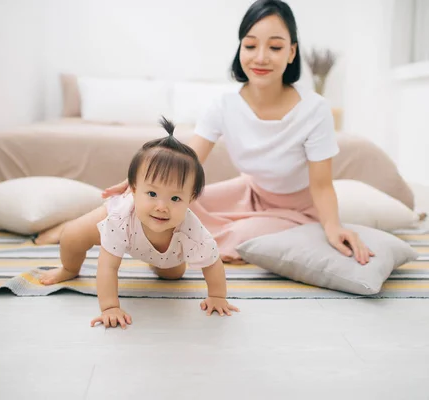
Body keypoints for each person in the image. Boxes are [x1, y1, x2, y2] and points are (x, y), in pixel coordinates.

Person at [100, 0, 374, 265]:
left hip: (299, 210)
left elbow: (322, 185)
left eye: (275, 47)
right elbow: (189, 160)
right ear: (240, 48)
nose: (261, 57)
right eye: (251, 45)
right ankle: (81, 231)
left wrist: (333, 226)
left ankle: (167, 247)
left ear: (292, 53)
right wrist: (144, 178)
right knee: (167, 201)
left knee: (240, 236)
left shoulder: (315, 110)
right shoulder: (223, 105)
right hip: (249, 192)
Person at [39, 117, 240, 329]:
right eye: (152, 193)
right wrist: (110, 307)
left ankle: (156, 260)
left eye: (175, 198)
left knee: (172, 274)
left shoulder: (192, 230)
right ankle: (69, 268)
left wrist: (217, 296)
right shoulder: (119, 218)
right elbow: (108, 266)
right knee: (72, 235)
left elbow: (212, 263)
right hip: (125, 218)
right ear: (133, 189)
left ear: (191, 199)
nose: (162, 206)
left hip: (161, 246)